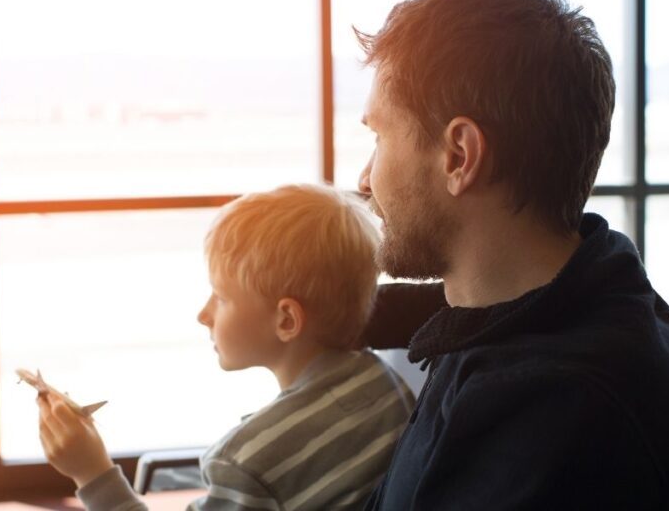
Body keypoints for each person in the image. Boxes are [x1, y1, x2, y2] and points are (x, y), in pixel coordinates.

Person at [354, 0, 669, 508]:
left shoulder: (553, 406)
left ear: (460, 156)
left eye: (379, 137)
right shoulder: (578, 300)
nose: (365, 179)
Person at [34, 184, 416, 511]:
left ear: (286, 321)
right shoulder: (386, 387)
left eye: (220, 297)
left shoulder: (247, 461)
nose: (203, 314)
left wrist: (92, 472)